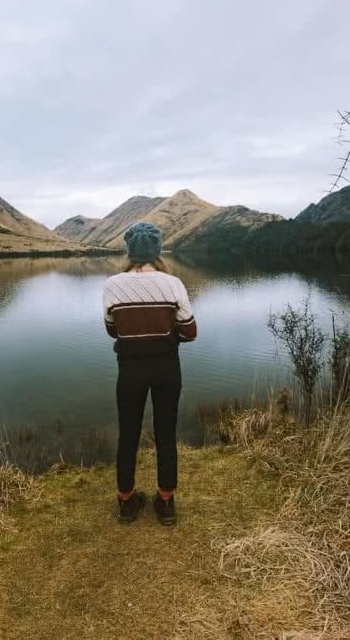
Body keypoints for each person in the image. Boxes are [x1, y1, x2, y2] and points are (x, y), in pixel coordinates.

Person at [102, 222, 197, 526]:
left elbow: (112, 331)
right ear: (157, 251)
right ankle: (166, 503)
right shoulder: (174, 284)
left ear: (129, 251)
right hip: (167, 367)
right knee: (166, 433)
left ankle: (126, 502)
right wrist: (166, 333)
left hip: (129, 369)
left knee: (127, 433)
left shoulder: (111, 285)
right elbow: (191, 332)